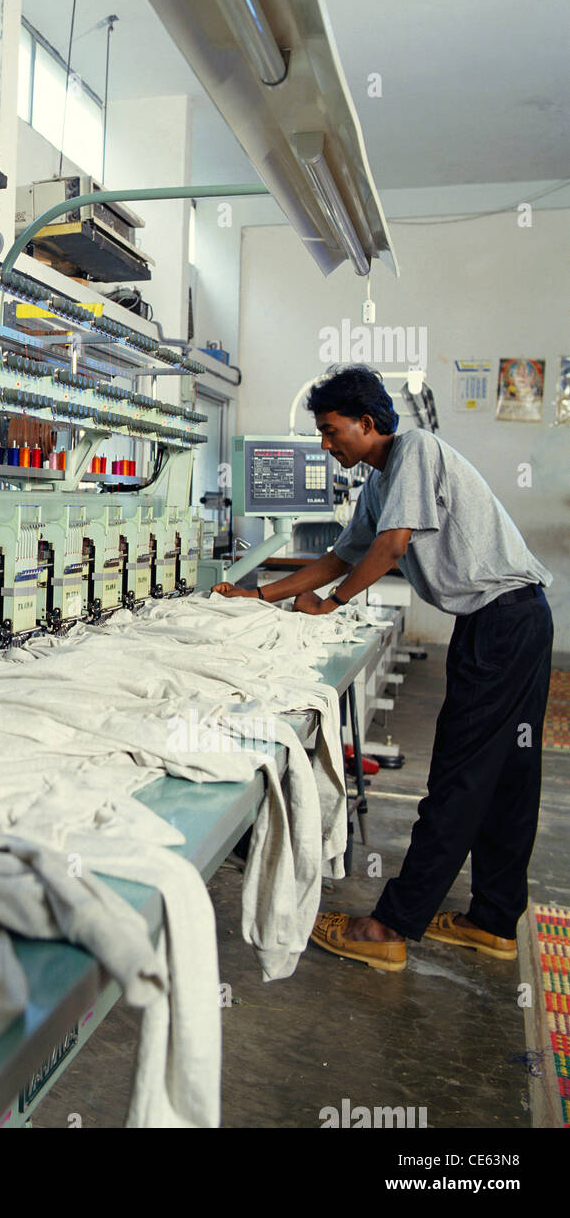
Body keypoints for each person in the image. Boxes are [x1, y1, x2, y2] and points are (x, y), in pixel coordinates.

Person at [213, 364, 554, 972]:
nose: (324, 443)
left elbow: (391, 546)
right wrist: (259, 596)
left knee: (460, 776)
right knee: (506, 777)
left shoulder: (416, 450)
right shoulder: (377, 484)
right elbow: (339, 557)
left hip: (503, 622)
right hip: (508, 621)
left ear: (368, 423)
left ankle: (389, 928)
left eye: (330, 430)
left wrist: (332, 605)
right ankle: (495, 919)